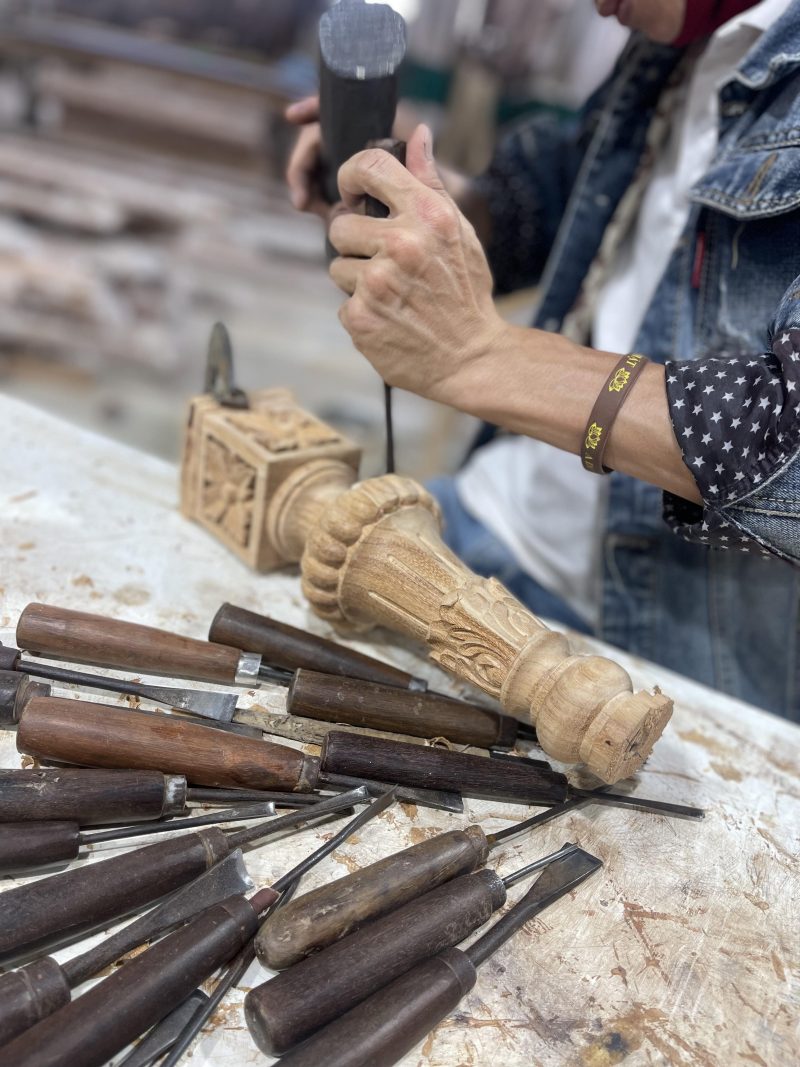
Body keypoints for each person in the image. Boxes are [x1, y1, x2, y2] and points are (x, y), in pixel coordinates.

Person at [285, 0, 800, 719]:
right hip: (498, 521)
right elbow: (565, 204)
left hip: (677, 652)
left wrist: (481, 355)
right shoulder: (682, 42)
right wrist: (422, 211)